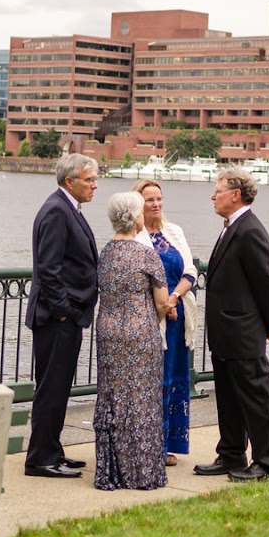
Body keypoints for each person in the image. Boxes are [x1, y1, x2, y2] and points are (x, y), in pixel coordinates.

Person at [197, 169, 269, 482]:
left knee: (256, 397)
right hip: (226, 332)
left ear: (235, 194)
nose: (213, 195)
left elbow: (266, 281)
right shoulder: (231, 227)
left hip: (244, 330)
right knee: (229, 397)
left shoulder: (250, 230)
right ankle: (232, 453)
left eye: (218, 190)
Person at [25, 154, 99, 479]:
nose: (95, 185)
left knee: (58, 388)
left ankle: (52, 450)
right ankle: (40, 458)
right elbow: (49, 269)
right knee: (51, 388)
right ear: (70, 181)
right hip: (57, 319)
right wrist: (65, 312)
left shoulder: (68, 208)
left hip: (65, 316)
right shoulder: (57, 210)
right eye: (89, 180)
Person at [93, 192, 172, 491]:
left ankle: (111, 471)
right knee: (141, 400)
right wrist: (151, 321)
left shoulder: (106, 253)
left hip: (109, 331)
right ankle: (141, 471)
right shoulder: (145, 254)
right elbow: (163, 302)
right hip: (140, 333)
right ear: (135, 217)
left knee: (112, 396)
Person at [132, 179, 198, 467]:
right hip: (151, 317)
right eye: (149, 200)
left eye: (159, 199)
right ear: (138, 204)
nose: (156, 204)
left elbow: (190, 269)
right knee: (153, 379)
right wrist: (161, 305)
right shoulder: (134, 237)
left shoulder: (174, 231)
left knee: (175, 379)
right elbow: (137, 278)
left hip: (176, 312)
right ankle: (149, 443)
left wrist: (173, 298)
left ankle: (170, 443)